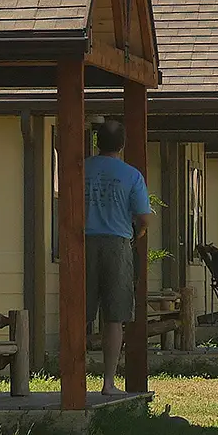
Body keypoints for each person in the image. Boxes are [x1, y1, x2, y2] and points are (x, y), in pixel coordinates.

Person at [84, 117, 151, 396]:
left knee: (79, 314)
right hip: (117, 244)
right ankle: (108, 381)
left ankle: (73, 379)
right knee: (115, 316)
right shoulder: (131, 175)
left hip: (82, 243)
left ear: (98, 142)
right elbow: (144, 216)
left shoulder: (81, 169)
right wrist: (141, 230)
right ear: (122, 145)